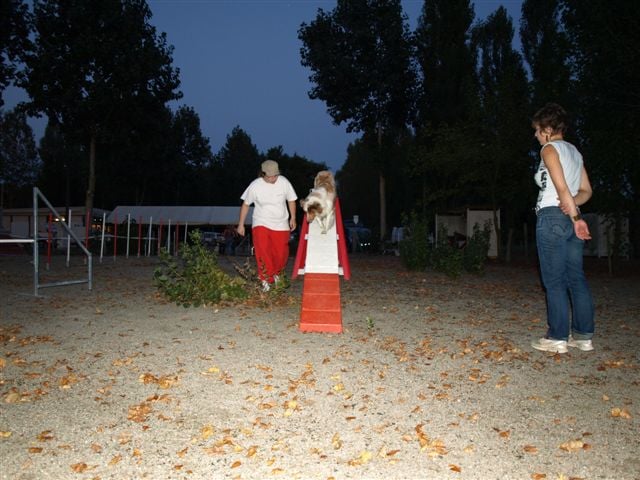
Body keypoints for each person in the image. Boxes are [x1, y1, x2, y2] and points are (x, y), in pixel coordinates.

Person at [531, 103, 595, 354]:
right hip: (568, 217)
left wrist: (575, 215)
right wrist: (572, 209)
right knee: (576, 277)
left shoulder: (549, 149)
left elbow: (561, 188)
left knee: (554, 280)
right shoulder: (575, 153)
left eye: (537, 130)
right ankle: (583, 336)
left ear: (547, 130)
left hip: (552, 218)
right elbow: (586, 191)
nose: (536, 135)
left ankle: (557, 337)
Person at [236, 160, 297, 291]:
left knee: (281, 253)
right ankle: (265, 279)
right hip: (261, 221)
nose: (273, 178)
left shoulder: (284, 182)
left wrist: (293, 217)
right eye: (270, 176)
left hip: (281, 222)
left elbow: (291, 200)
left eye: (275, 175)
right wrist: (241, 224)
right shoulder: (255, 186)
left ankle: (277, 273)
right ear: (263, 174)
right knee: (262, 249)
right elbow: (246, 204)